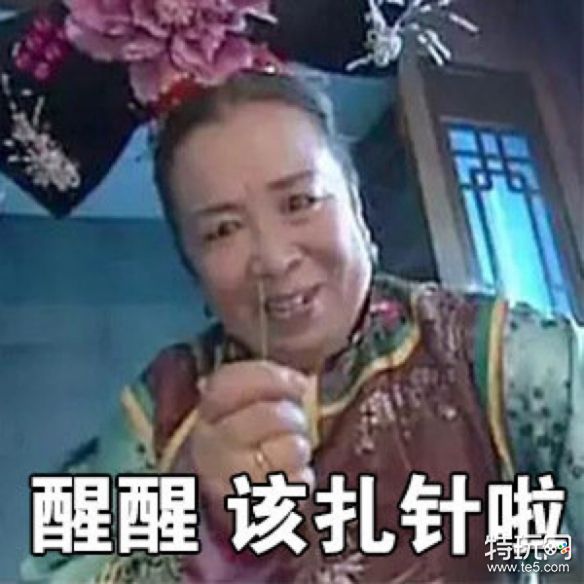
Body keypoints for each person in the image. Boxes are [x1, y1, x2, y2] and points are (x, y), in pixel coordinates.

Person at [22, 72, 583, 583]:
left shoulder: (495, 355)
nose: (272, 258)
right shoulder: (161, 412)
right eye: (222, 231)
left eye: (300, 201)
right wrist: (207, 529)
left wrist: (522, 556)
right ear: (193, 269)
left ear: (357, 207)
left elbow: (544, 557)